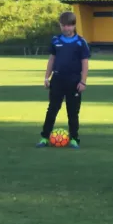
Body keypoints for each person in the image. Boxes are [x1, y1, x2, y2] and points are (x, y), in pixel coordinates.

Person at [36, 11, 90, 149]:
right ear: (60, 26)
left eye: (68, 26)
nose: (66, 28)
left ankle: (74, 139)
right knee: (52, 109)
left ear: (74, 26)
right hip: (57, 80)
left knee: (72, 112)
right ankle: (44, 137)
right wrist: (46, 77)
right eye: (63, 26)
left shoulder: (80, 42)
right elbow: (51, 60)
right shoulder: (56, 40)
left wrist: (83, 81)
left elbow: (85, 63)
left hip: (74, 81)